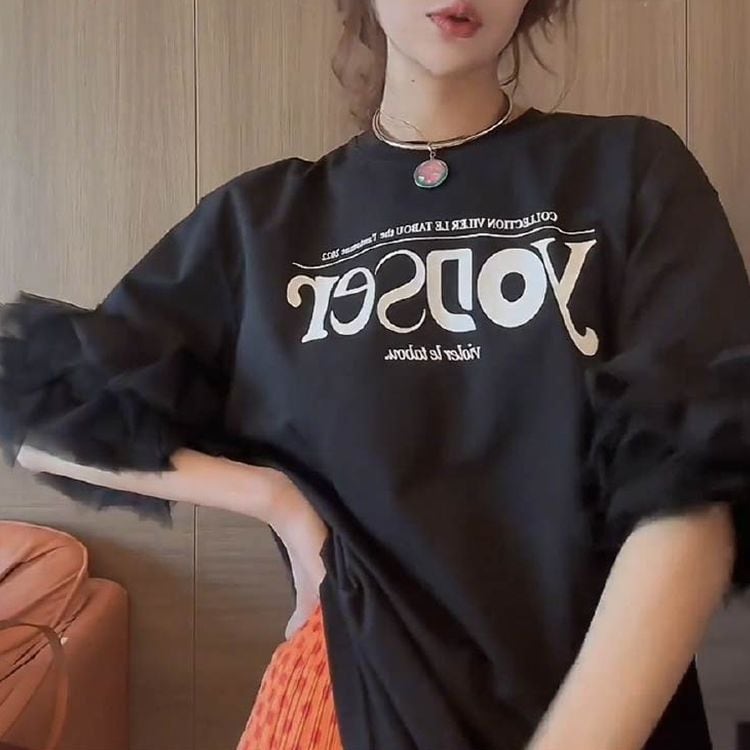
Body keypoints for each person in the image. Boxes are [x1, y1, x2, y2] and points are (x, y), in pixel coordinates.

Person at [1, 1, 749, 749]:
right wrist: (273, 498)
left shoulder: (629, 170)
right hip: (356, 712)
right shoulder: (260, 225)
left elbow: (694, 488)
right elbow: (42, 420)